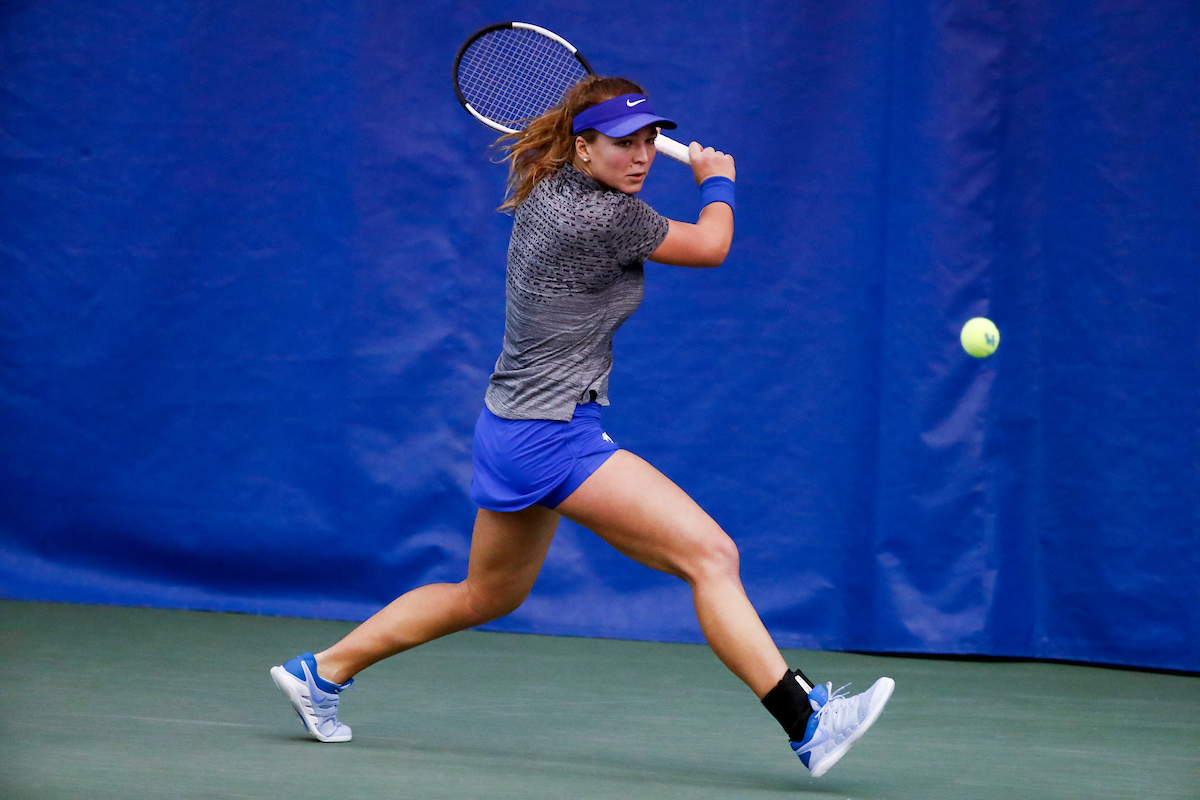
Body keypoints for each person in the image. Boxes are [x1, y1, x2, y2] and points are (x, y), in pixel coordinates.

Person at [271, 75, 893, 779]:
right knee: (710, 556)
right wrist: (718, 181)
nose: (642, 155)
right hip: (552, 434)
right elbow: (712, 245)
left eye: (651, 139)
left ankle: (321, 672)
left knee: (487, 595)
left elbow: (633, 197)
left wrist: (661, 162)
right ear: (583, 145)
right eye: (622, 143)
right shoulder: (603, 218)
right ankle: (807, 722)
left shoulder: (557, 189)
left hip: (508, 427)